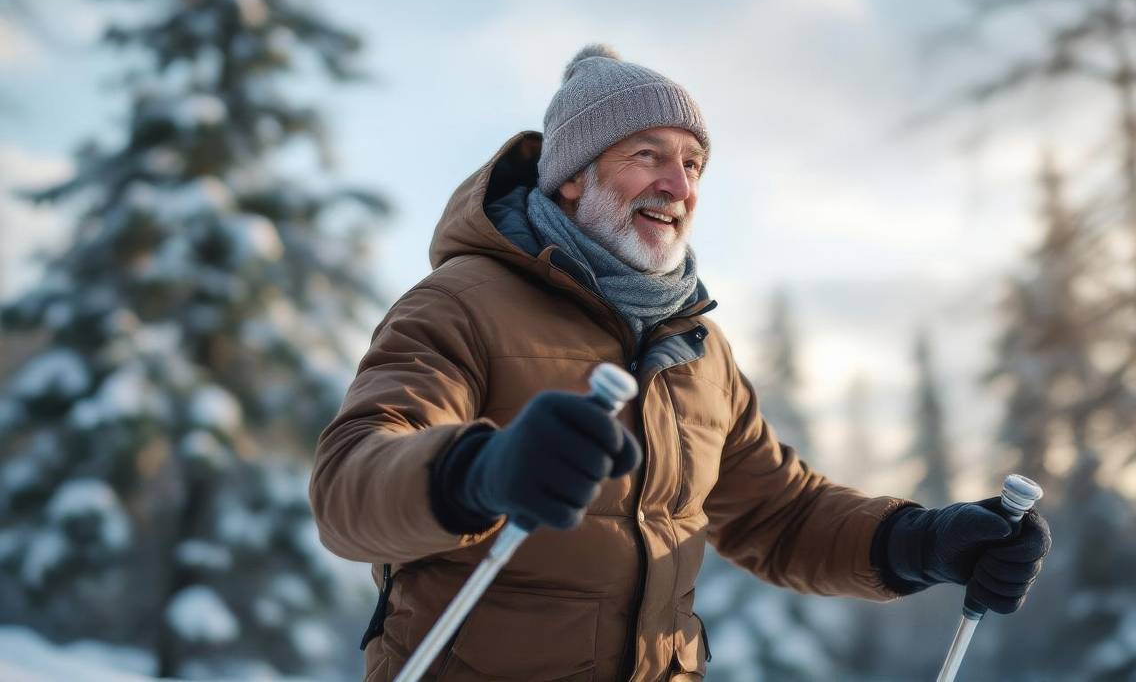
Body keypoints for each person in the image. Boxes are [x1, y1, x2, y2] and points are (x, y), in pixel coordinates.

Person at [309, 44, 1051, 682]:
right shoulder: (459, 303)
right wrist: (478, 472)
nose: (680, 184)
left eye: (692, 162)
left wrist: (920, 541)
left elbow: (778, 514)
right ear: (572, 175)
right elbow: (348, 486)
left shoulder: (696, 348)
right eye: (647, 156)